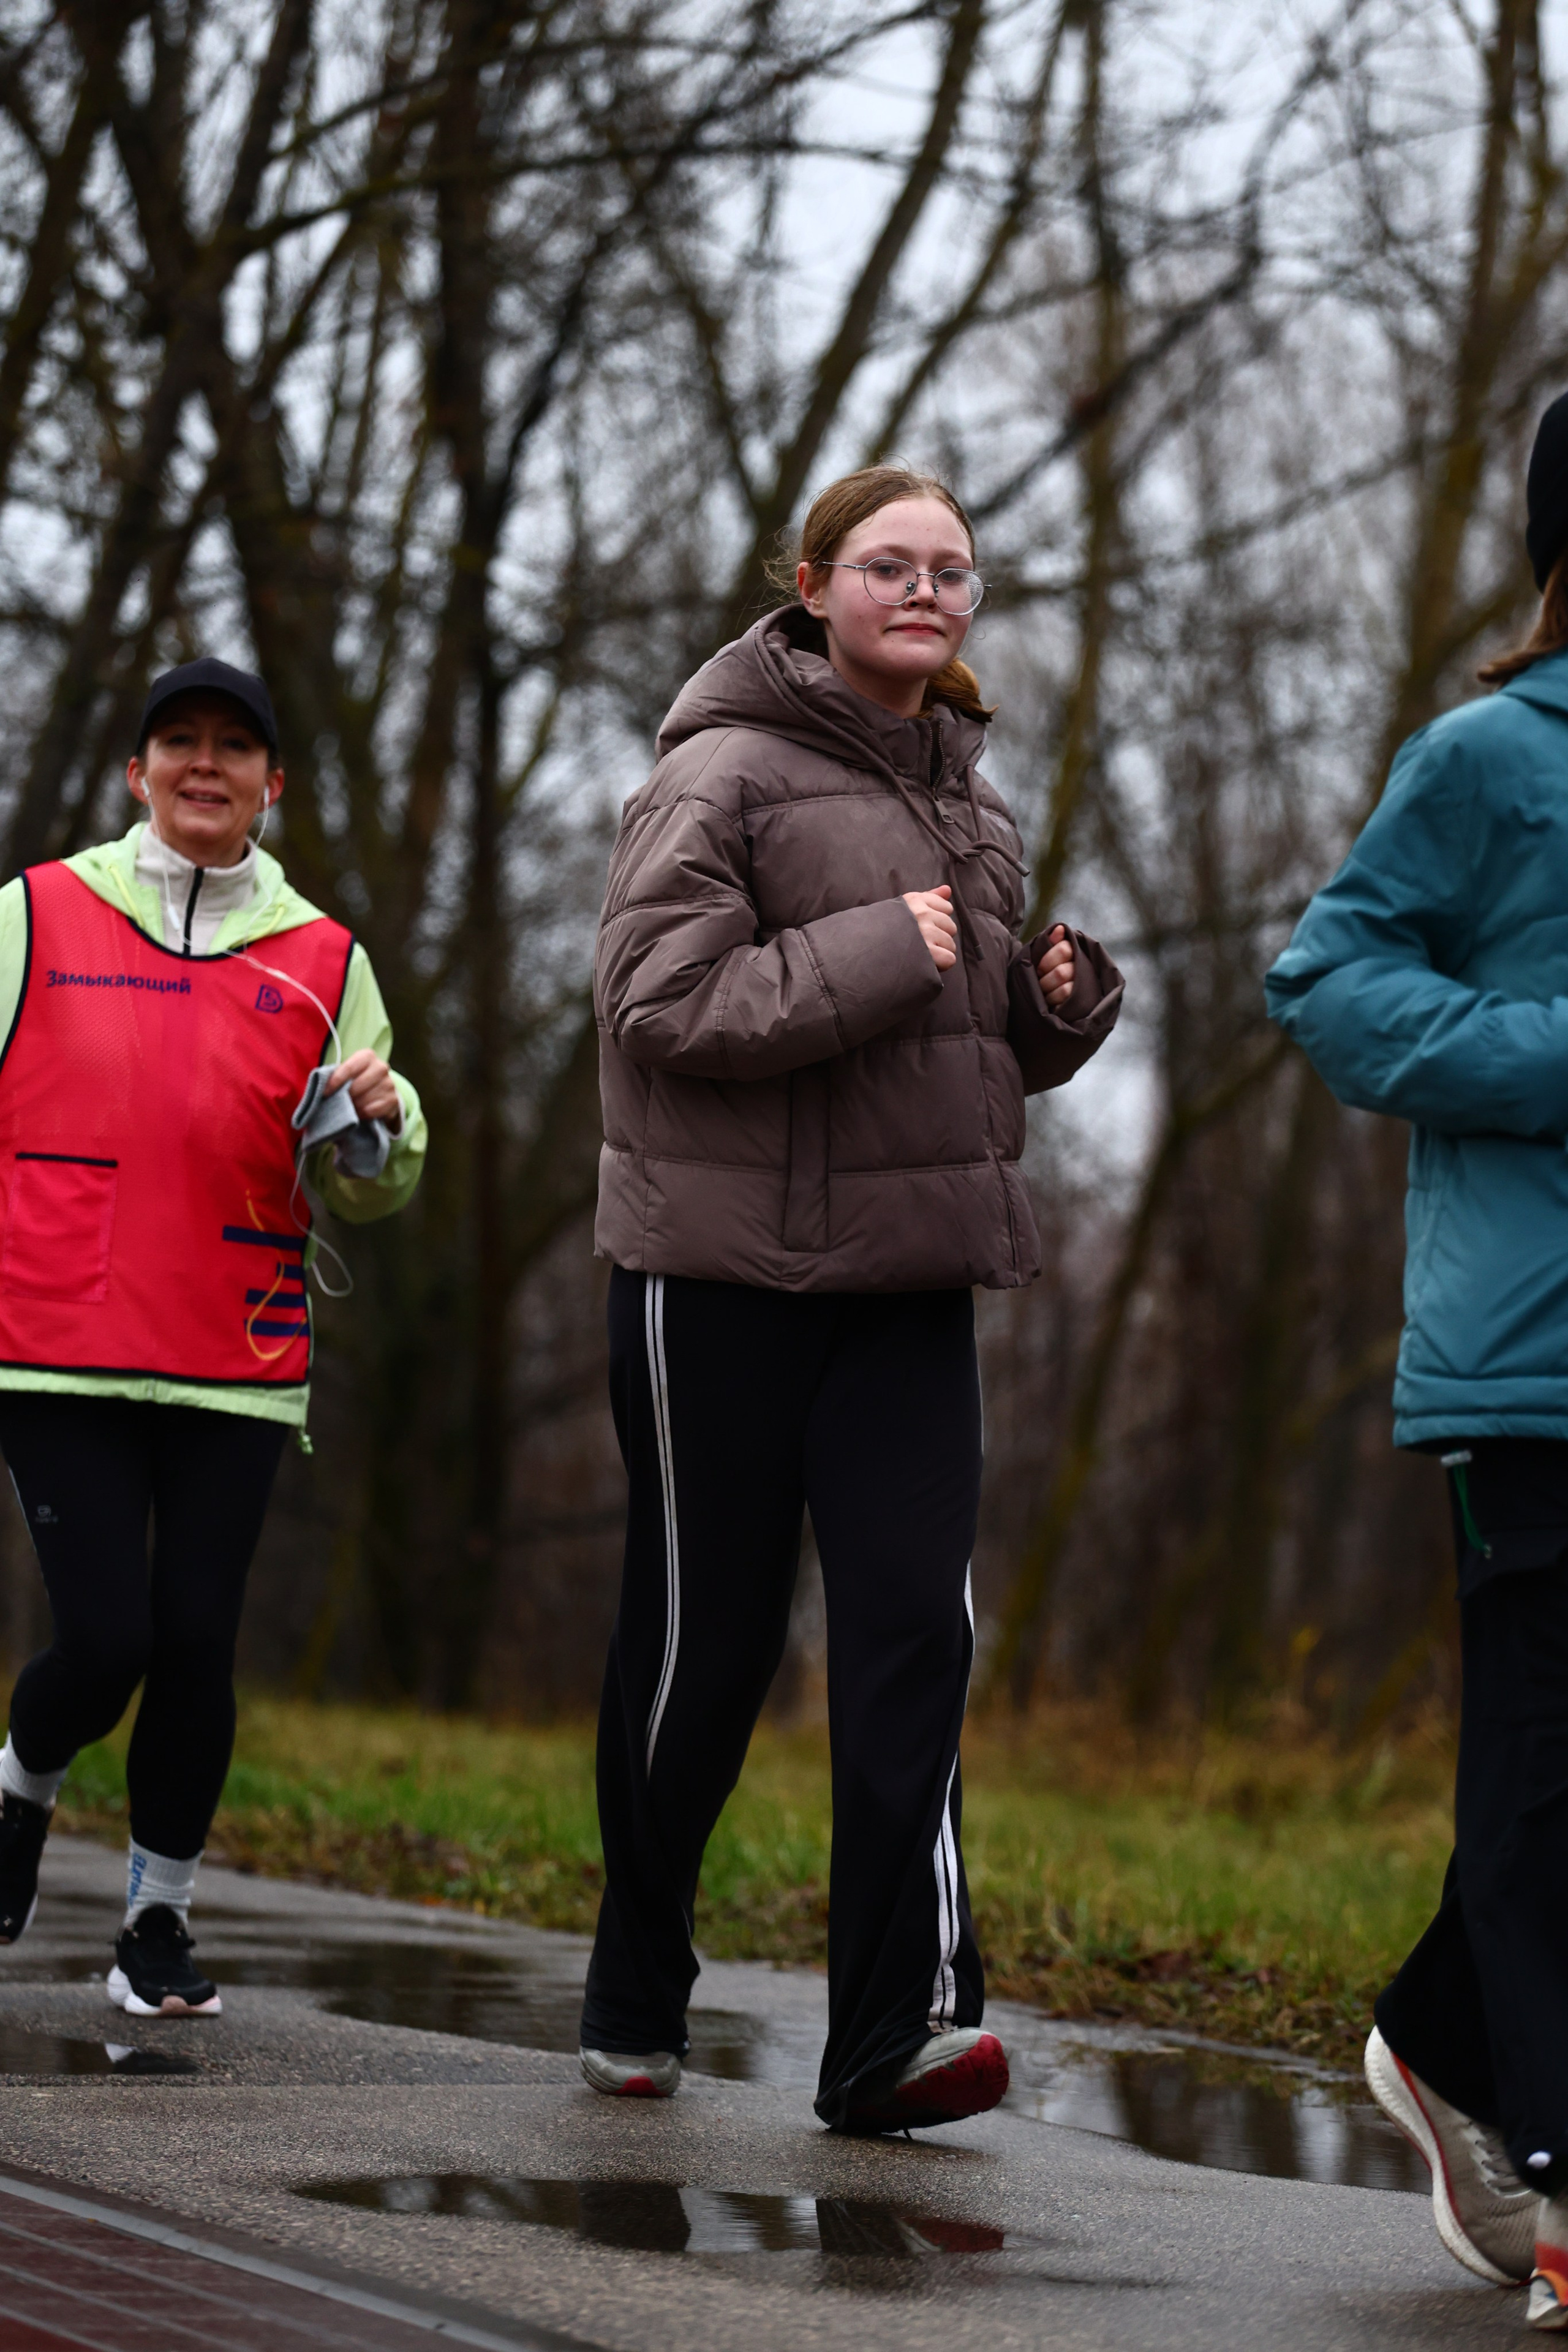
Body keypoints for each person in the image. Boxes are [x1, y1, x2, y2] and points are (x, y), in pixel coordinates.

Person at [581, 466, 1123, 2133]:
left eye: (951, 569)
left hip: (906, 1282)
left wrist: (1051, 1008)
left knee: (913, 1636)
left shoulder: (973, 801)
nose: (926, 592)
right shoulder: (719, 772)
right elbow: (660, 1003)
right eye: (890, 564)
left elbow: (954, 1053)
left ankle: (892, 2030)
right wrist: (892, 948)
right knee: (707, 1646)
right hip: (717, 1279)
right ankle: (636, 1979)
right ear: (812, 585)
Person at [1267, 393, 1568, 2329]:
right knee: (1544, 1774)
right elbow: (1328, 978)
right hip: (1537, 1354)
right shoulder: (1487, 756)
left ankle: (1447, 2038)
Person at [0, 656, 426, 2018]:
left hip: (235, 1356)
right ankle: (21, 1783)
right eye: (177, 741)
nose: (204, 763)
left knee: (195, 1639)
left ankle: (158, 1924)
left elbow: (374, 1179)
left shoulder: (327, 959)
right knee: (106, 1639)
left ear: (271, 784)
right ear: (137, 774)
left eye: (232, 747)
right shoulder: (34, 910)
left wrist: (381, 1121)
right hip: (55, 1342)